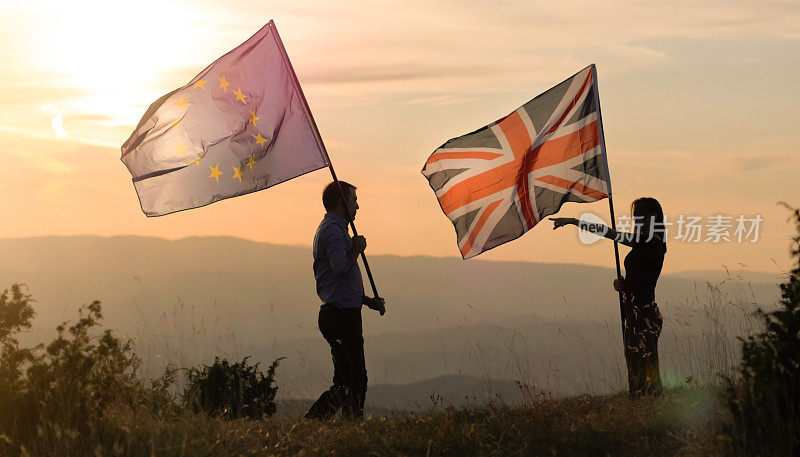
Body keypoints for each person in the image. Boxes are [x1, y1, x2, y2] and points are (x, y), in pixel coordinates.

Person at [551, 197, 666, 397]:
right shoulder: (648, 242)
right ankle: (645, 400)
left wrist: (574, 221)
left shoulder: (649, 243)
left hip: (642, 312)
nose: (636, 219)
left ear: (653, 216)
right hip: (637, 310)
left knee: (641, 362)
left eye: (640, 215)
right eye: (635, 215)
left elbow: (608, 233)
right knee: (639, 362)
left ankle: (646, 400)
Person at [305, 181, 386, 420]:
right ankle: (321, 423)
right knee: (354, 379)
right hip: (341, 317)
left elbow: (341, 284)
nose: (357, 206)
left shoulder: (336, 229)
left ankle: (336, 424)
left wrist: (368, 301)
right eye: (353, 200)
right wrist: (356, 249)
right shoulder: (332, 230)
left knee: (348, 379)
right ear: (341, 202)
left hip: (341, 314)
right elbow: (340, 269)